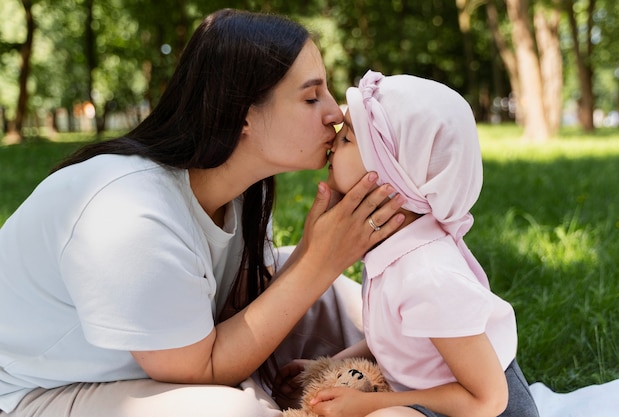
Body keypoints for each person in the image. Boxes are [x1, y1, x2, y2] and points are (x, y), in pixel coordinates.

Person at [0, 11, 407, 417]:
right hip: (36, 394)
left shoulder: (242, 189)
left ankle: (436, 372)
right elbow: (202, 370)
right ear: (243, 113)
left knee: (345, 301)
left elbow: (238, 309)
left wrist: (314, 252)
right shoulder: (130, 215)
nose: (335, 114)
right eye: (310, 97)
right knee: (229, 411)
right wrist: (321, 258)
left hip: (166, 362)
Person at [275, 70, 540, 417]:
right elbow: (404, 340)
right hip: (431, 398)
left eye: (348, 139)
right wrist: (328, 366)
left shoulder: (427, 273)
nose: (332, 144)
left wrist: (367, 404)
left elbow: (487, 400)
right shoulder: (393, 250)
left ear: (393, 176)